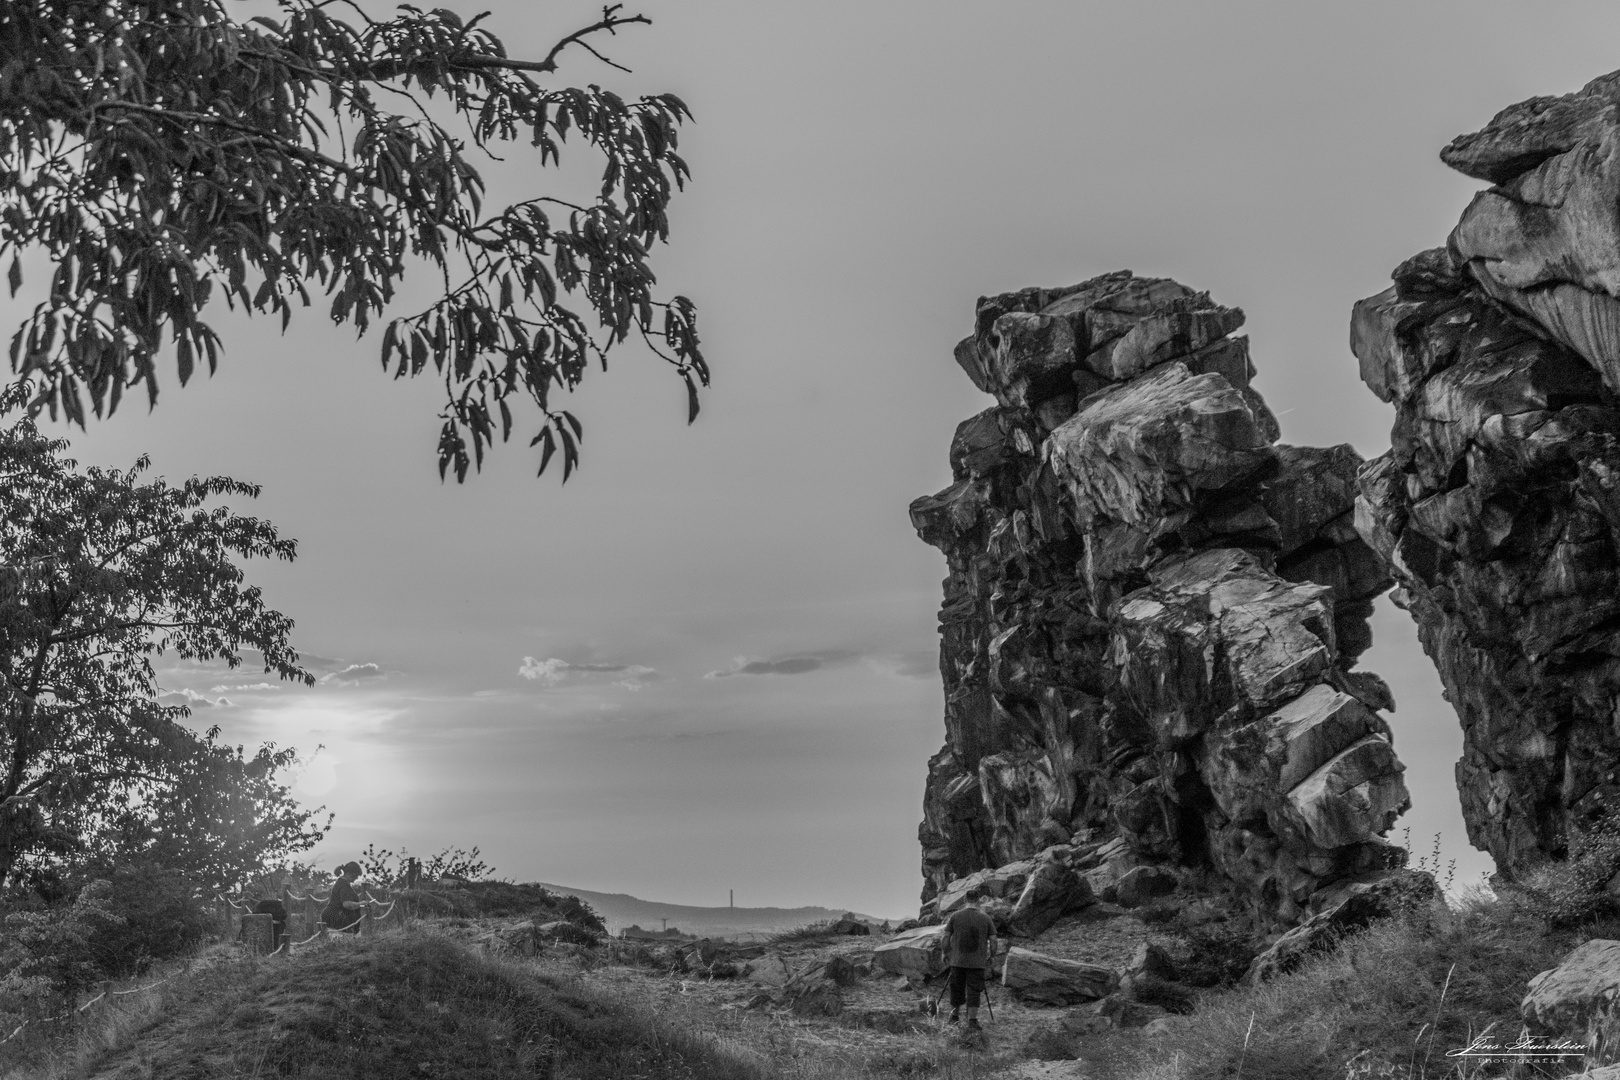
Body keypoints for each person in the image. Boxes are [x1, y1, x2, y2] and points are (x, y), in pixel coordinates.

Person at [942, 901, 997, 1031]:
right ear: (978, 901)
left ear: (966, 900)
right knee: (974, 991)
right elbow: (993, 939)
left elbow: (946, 936)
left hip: (957, 961)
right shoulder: (985, 918)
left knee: (956, 989)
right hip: (977, 962)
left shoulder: (955, 916)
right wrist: (992, 956)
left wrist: (944, 953)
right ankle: (972, 1021)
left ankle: (954, 1017)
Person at [321, 861, 366, 933]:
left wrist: (363, 905)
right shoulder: (344, 885)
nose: (356, 878)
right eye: (356, 875)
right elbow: (347, 904)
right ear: (350, 874)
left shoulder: (342, 883)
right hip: (337, 918)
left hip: (333, 916)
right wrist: (362, 904)